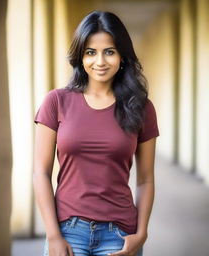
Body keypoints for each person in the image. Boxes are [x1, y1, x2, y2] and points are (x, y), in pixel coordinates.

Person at [33, 10, 160, 256]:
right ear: (80, 56)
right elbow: (40, 172)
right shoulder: (56, 101)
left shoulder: (141, 107)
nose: (100, 61)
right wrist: (53, 235)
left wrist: (141, 233)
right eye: (91, 52)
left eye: (109, 51)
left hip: (120, 234)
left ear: (122, 55)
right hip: (67, 231)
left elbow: (146, 179)